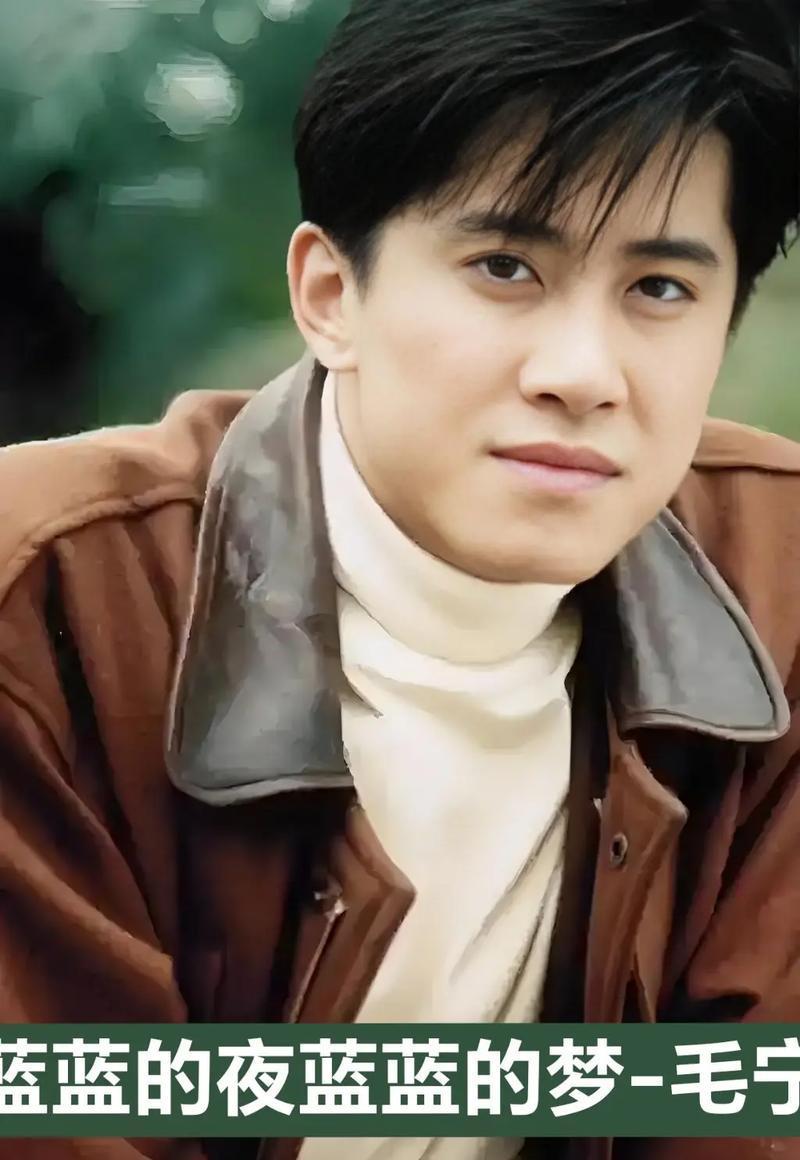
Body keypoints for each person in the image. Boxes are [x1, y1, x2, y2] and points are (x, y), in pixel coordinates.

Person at [0, 1, 798, 1158]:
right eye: (503, 267)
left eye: (659, 290)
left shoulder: (777, 587)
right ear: (330, 295)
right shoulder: (51, 596)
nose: (581, 372)